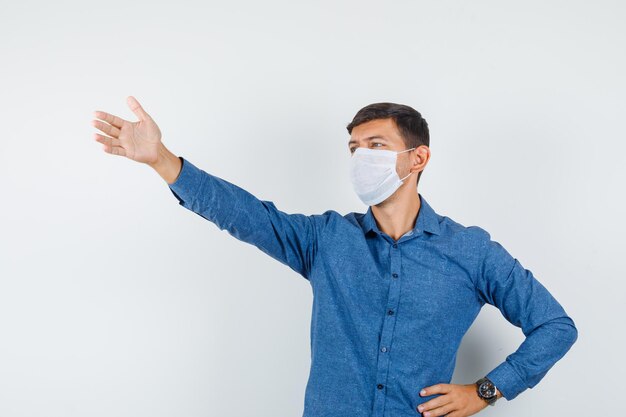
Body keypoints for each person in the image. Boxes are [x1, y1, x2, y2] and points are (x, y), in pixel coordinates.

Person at [91, 97, 578, 417]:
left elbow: (556, 326)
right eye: (354, 147)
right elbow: (245, 215)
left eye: (376, 145)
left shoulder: (470, 250)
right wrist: (162, 160)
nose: (361, 157)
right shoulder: (327, 239)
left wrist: (485, 392)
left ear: (418, 158)